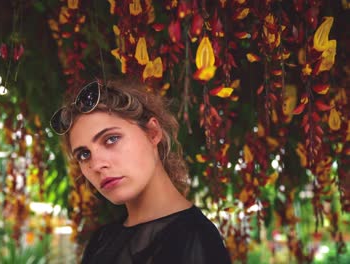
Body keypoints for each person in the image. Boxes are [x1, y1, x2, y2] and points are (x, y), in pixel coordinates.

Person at [50, 78, 231, 263]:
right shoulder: (101, 241)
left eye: (111, 139)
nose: (96, 165)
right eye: (84, 155)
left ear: (153, 133)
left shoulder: (196, 239)